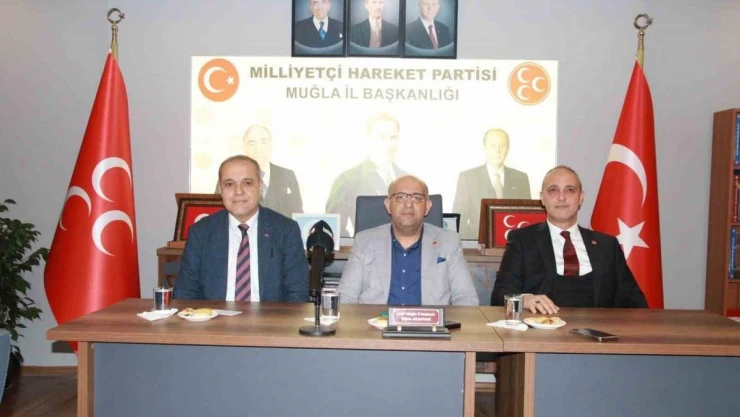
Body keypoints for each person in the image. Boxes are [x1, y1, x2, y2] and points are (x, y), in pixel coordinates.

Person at [490, 165, 647, 311]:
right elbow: (500, 295)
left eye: (570, 190)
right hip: (540, 329)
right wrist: (525, 300)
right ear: (542, 198)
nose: (561, 197)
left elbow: (634, 301)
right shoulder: (522, 240)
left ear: (581, 197)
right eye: (553, 190)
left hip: (598, 330)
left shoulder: (607, 245)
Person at [175, 155, 309, 302]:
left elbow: (298, 295)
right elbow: (184, 293)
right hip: (215, 316)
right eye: (229, 184)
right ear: (221, 190)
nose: (238, 191)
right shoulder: (200, 232)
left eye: (247, 183)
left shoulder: (286, 231)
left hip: (269, 316)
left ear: (260, 186)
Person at [339, 175, 479, 306]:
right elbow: (345, 297)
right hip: (375, 322)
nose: (408, 204)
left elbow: (466, 297)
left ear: (427, 207)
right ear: (388, 205)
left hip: (430, 323)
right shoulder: (364, 242)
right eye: (400, 197)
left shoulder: (449, 242)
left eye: (416, 198)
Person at [326, 112, 409, 236]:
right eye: (382, 137)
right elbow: (334, 228)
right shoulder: (348, 179)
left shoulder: (407, 179)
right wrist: (355, 244)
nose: (388, 144)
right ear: (369, 140)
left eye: (393, 138)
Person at [453, 129, 531, 238]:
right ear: (484, 147)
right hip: (477, 244)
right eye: (493, 146)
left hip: (513, 244)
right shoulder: (468, 178)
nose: (497, 151)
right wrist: (472, 243)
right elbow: (459, 219)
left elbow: (527, 216)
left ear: (508, 148)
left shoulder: (521, 178)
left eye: (502, 146)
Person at [215, 125, 303, 218]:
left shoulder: (287, 175)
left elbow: (298, 213)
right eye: (252, 143)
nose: (258, 149)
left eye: (263, 142)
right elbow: (217, 213)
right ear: (244, 146)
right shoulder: (228, 177)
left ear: (271, 144)